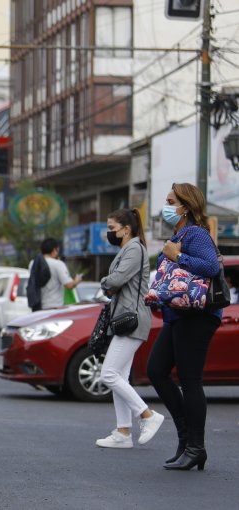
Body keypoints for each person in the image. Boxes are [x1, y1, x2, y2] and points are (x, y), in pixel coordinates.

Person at [147, 183, 222, 471]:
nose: (165, 206)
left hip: (198, 316)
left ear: (185, 206)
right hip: (179, 315)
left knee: (190, 381)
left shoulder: (196, 233)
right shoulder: (179, 234)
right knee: (156, 369)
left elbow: (211, 267)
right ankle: (185, 438)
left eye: (170, 201)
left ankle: (196, 448)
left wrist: (177, 256)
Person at [94, 209, 164, 449]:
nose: (109, 233)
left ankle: (147, 415)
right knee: (119, 376)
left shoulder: (134, 248)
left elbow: (115, 280)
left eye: (112, 229)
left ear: (126, 229)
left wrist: (106, 283)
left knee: (109, 374)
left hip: (132, 320)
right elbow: (115, 282)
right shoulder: (129, 248)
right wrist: (111, 284)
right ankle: (123, 432)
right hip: (126, 319)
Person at [34, 238, 82, 310]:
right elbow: (69, 285)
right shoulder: (58, 264)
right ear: (54, 250)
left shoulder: (33, 263)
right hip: (54, 306)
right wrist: (77, 280)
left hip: (37, 305)